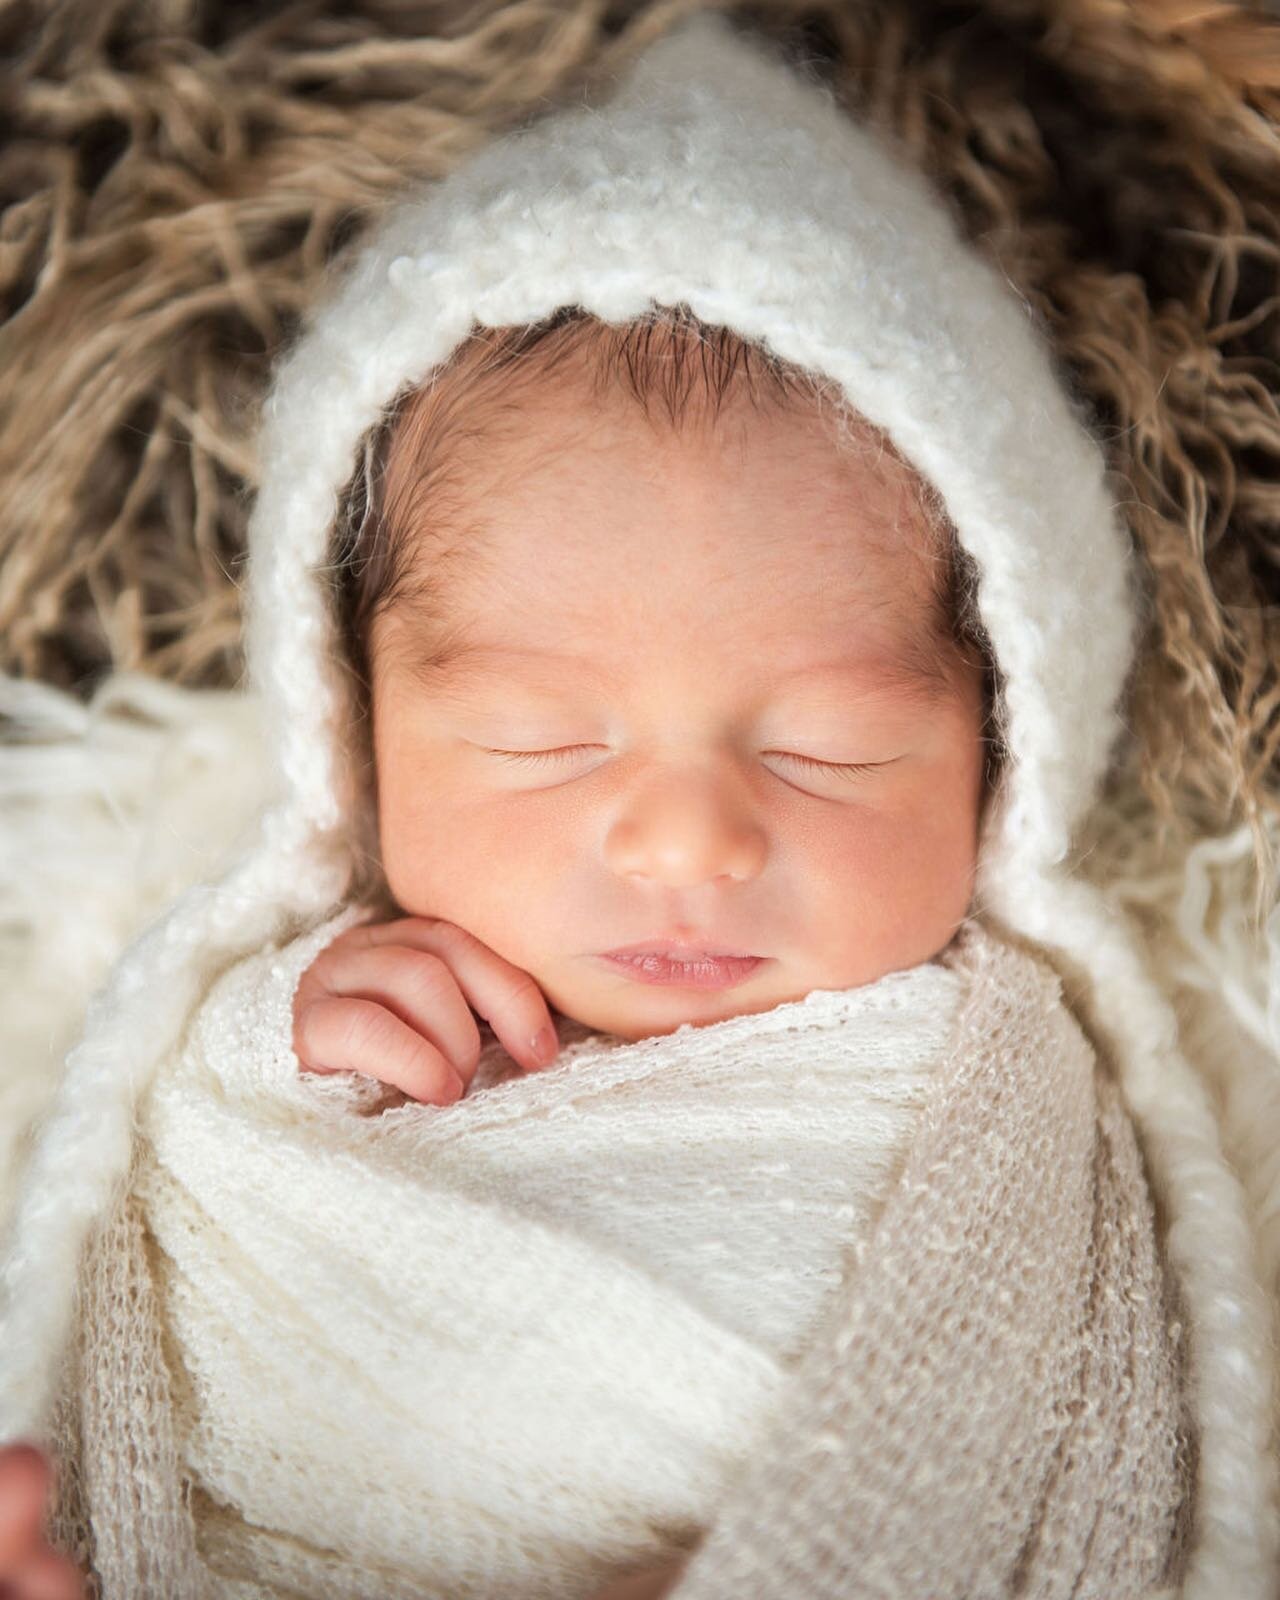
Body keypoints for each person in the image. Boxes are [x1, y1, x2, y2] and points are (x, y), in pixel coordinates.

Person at [0, 13, 1275, 1599]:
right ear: (357, 742)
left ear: (999, 754)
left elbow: (1075, 1445)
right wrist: (279, 1060)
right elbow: (199, 1239)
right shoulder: (309, 1024)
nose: (689, 842)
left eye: (828, 749)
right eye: (542, 741)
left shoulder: (998, 1090)